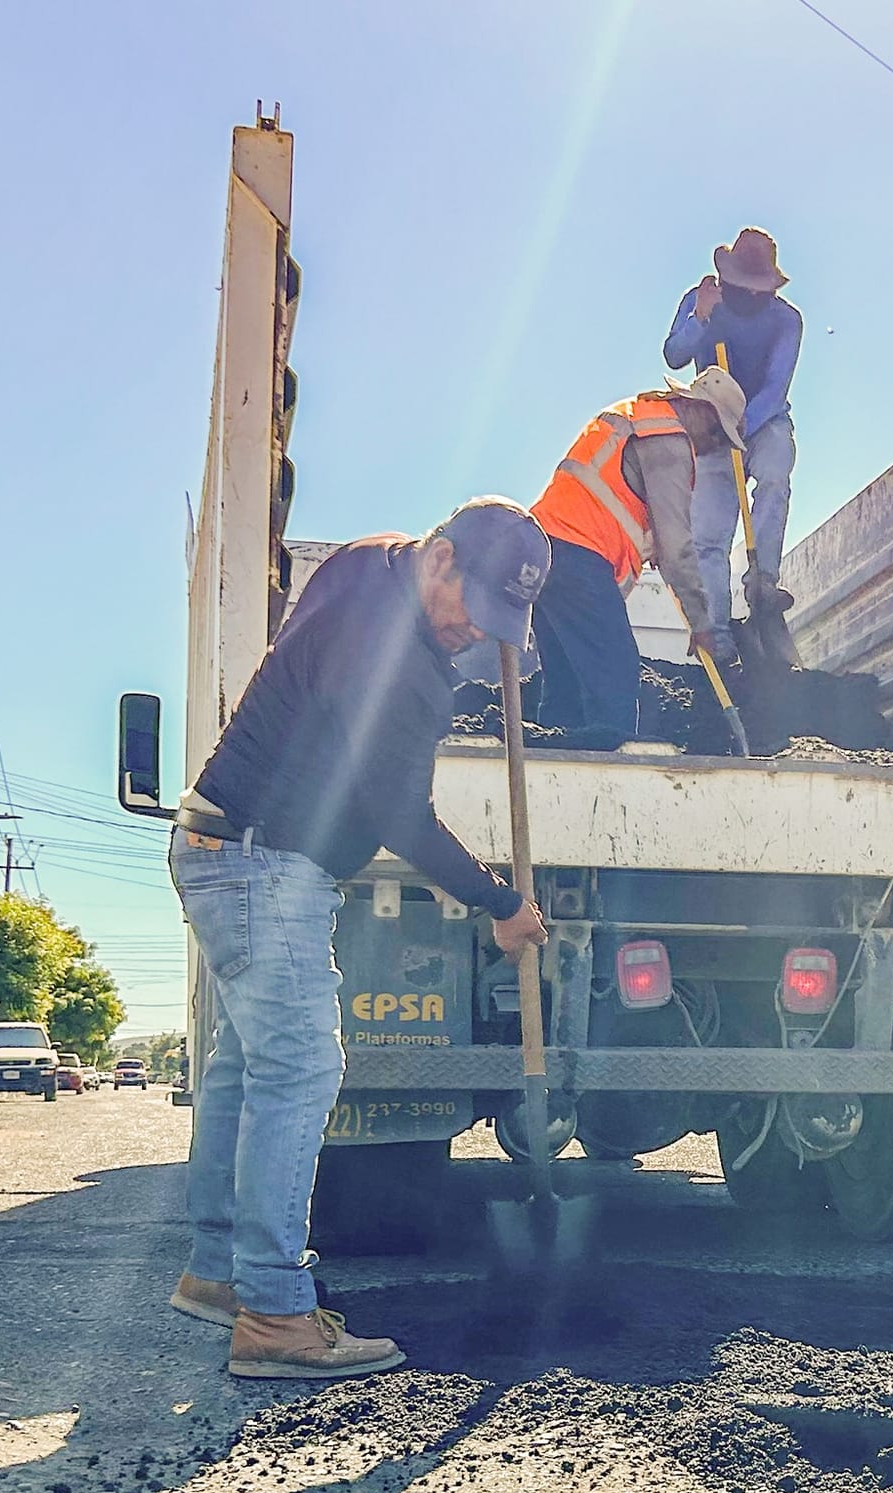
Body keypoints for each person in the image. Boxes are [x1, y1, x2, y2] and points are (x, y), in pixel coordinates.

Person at [167, 500, 551, 1380]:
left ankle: (219, 1272)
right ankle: (272, 1313)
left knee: (244, 1064)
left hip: (223, 849)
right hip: (266, 864)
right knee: (301, 1068)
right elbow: (399, 818)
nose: (470, 635)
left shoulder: (367, 564)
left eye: (497, 624)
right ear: (441, 559)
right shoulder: (403, 668)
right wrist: (498, 903)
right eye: (472, 610)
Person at [529, 367, 747, 749]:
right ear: (698, 409)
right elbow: (676, 543)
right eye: (717, 434)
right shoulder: (668, 439)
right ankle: (614, 778)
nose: (713, 447)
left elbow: (657, 542)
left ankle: (553, 772)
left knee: (565, 682)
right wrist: (702, 623)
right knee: (615, 670)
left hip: (545, 551)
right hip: (579, 553)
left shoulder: (639, 417)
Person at [662, 228, 802, 666]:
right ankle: (716, 634)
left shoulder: (786, 320)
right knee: (708, 536)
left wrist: (743, 426)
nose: (749, 296)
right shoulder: (701, 300)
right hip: (710, 426)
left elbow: (776, 388)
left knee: (776, 469)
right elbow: (673, 355)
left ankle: (762, 581)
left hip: (763, 421)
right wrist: (700, 319)